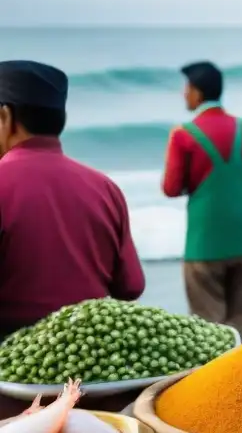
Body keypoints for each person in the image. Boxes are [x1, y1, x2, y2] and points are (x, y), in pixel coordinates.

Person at [0, 60, 145, 339]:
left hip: (12, 367)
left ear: (6, 117)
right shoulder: (105, 188)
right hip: (86, 360)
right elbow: (131, 287)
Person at [161, 61, 242, 341]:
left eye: (186, 89)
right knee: (240, 324)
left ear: (197, 93)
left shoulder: (184, 135)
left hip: (205, 244)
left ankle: (215, 383)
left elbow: (171, 188)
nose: (183, 94)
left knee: (208, 329)